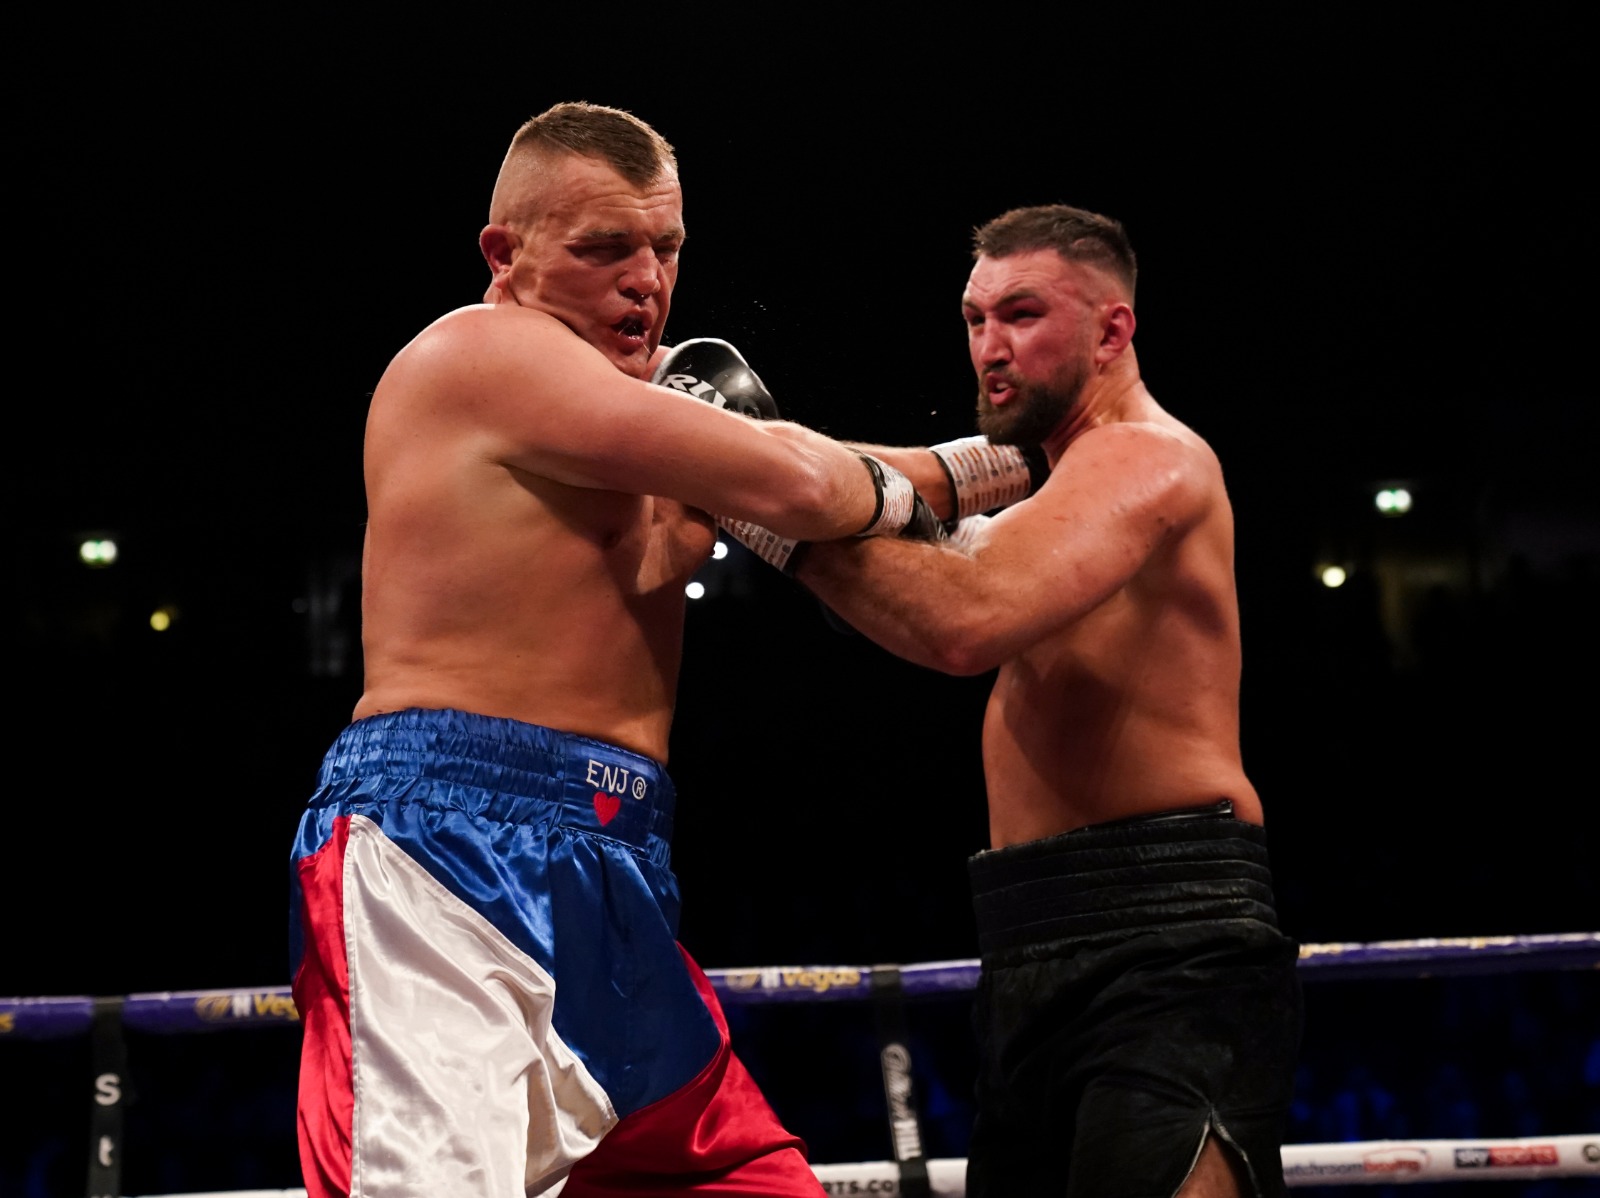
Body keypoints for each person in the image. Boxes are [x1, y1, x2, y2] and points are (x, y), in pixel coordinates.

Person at [287, 101, 939, 1198]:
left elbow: (817, 476)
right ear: (506, 253)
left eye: (667, 248)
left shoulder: (632, 426)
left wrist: (1017, 463)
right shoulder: (478, 353)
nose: (647, 281)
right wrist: (913, 492)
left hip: (617, 858)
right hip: (443, 849)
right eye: (603, 250)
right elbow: (799, 481)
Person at [733, 204, 1304, 1197]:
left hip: (1167, 941)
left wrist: (740, 488)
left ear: (1111, 330)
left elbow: (963, 620)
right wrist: (733, 451)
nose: (989, 346)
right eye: (974, 318)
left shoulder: (1150, 459)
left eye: (1023, 314)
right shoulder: (1043, 490)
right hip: (1026, 942)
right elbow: (885, 495)